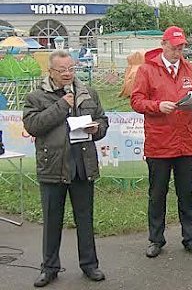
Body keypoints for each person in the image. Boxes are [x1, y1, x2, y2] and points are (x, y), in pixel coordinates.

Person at [23, 50, 108, 287]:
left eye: (71, 69)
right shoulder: (36, 97)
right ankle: (49, 267)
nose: (68, 74)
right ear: (50, 71)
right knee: (52, 220)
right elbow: (33, 126)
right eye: (62, 70)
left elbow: (103, 121)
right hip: (53, 167)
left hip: (82, 166)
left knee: (85, 219)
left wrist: (96, 129)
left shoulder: (88, 93)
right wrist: (62, 105)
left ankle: (90, 265)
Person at [130, 26, 192, 259]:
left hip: (186, 142)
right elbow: (136, 101)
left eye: (181, 47)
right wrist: (157, 106)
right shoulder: (146, 70)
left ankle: (190, 237)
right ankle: (156, 239)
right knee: (157, 194)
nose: (178, 51)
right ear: (163, 44)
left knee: (186, 194)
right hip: (159, 143)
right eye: (174, 47)